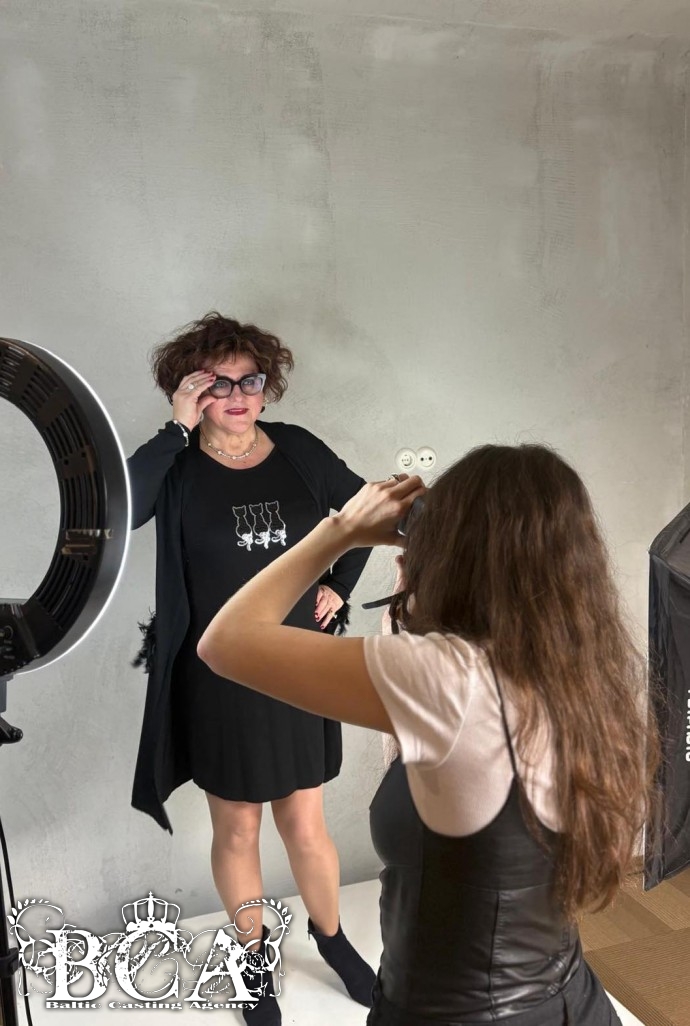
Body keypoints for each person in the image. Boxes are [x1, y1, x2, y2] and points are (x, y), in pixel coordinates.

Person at [197, 444, 660, 1026]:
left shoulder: (449, 678)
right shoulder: (583, 671)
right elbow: (432, 769)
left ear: (455, 549)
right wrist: (412, 600)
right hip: (571, 1001)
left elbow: (224, 643)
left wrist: (342, 532)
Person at [127, 312, 376, 1025]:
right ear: (190, 389)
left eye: (250, 381)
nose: (237, 396)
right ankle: (252, 959)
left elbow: (366, 511)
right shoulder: (175, 464)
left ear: (268, 385)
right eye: (217, 383)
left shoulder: (298, 450)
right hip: (220, 673)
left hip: (297, 664)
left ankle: (333, 939)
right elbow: (123, 509)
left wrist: (340, 586)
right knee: (237, 828)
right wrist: (175, 428)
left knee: (305, 822)